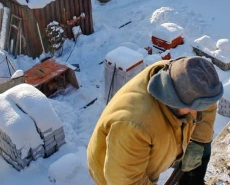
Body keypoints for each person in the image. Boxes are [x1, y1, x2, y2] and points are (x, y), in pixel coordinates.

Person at [87, 57, 223, 185]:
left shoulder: (186, 74)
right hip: (119, 168)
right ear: (176, 102)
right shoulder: (134, 126)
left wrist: (199, 142)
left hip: (153, 141)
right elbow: (127, 181)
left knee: (202, 149)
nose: (196, 113)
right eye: (193, 108)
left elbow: (206, 103)